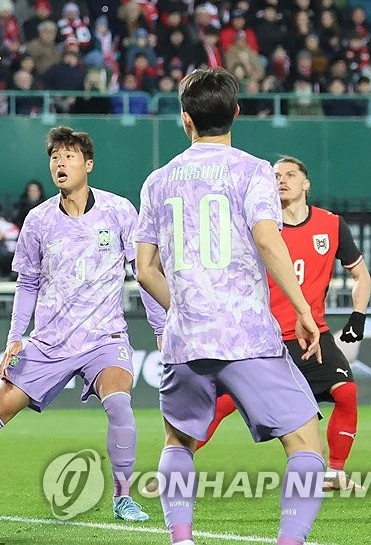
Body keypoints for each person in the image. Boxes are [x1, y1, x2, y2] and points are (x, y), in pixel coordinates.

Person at [0, 126, 159, 526]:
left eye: (69, 156)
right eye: (55, 157)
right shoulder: (38, 220)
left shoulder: (119, 211)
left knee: (119, 402)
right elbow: (28, 282)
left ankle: (123, 498)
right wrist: (15, 338)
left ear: (88, 165)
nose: (60, 163)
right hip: (49, 341)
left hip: (104, 336)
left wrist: (160, 328)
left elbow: (144, 272)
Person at [135, 67, 327, 545]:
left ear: (185, 120)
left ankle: (181, 539)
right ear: (236, 114)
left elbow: (143, 269)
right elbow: (267, 239)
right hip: (247, 335)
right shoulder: (254, 170)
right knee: (305, 445)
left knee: (178, 442)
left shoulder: (158, 180)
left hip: (185, 339)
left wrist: (183, 308)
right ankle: (290, 541)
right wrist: (303, 308)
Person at [197, 156, 371, 491]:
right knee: (222, 405)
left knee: (346, 392)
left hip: (313, 336)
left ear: (306, 184)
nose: (282, 180)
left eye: (291, 174)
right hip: (265, 336)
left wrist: (358, 315)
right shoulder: (261, 227)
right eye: (276, 175)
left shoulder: (331, 225)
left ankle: (335, 473)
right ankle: (174, 465)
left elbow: (361, 275)